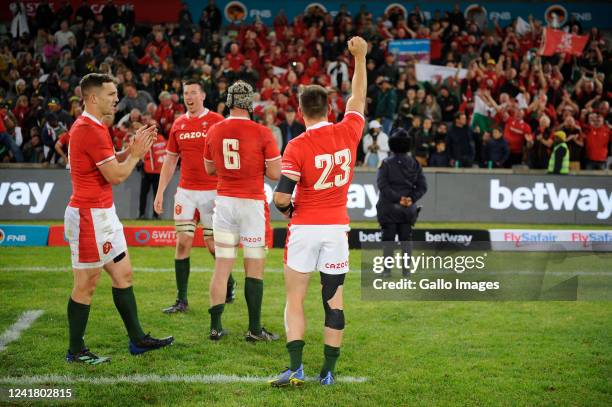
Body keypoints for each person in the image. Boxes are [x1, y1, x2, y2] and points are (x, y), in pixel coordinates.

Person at [270, 36, 367, 387]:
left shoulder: (297, 145)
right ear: (328, 107)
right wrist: (361, 58)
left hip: (305, 227)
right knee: (334, 302)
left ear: (300, 112)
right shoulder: (349, 130)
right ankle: (328, 372)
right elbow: (358, 96)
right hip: (337, 228)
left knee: (295, 300)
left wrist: (289, 210)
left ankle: (295, 368)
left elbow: (281, 197)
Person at [64, 73, 173, 365]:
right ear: (93, 98)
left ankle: (137, 340)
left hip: (103, 214)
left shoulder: (94, 126)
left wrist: (132, 148)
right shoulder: (89, 129)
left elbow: (110, 159)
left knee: (123, 274)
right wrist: (136, 155)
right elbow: (116, 175)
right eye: (111, 94)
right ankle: (75, 350)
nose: (116, 99)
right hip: (89, 216)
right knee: (86, 284)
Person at [203, 80, 281, 342]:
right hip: (251, 204)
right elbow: (274, 173)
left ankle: (215, 327)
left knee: (222, 267)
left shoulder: (214, 130)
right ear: (250, 102)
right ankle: (254, 329)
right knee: (254, 267)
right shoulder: (262, 132)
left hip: (224, 202)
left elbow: (210, 169)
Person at [153, 80, 234, 313]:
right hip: (186, 192)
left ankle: (228, 282)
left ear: (203, 96)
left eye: (193, 93)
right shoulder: (178, 124)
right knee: (183, 242)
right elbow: (170, 161)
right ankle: (181, 300)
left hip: (213, 192)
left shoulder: (218, 122)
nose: (188, 97)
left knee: (211, 246)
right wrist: (160, 192)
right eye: (185, 93)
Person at [376, 129, 427, 277]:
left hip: (389, 208)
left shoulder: (385, 163)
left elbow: (383, 186)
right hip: (408, 210)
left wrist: (398, 199)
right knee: (406, 239)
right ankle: (406, 271)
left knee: (388, 239)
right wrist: (410, 198)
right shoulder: (415, 163)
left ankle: (386, 271)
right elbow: (423, 186)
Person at [139, 133, 166, 219]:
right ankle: (149, 215)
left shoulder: (159, 139)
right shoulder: (161, 140)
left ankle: (148, 215)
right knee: (151, 194)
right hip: (152, 171)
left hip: (154, 171)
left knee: (150, 194)